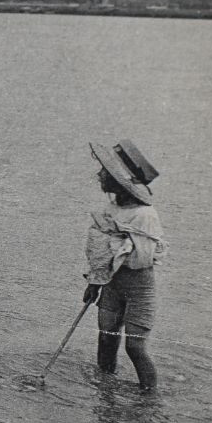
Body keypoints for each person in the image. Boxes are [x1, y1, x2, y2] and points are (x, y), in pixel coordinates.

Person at [83, 140, 167, 391]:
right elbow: (101, 252)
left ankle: (149, 398)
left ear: (119, 182)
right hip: (112, 284)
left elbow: (140, 258)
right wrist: (93, 283)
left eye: (105, 173)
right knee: (106, 337)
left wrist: (119, 244)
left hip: (139, 288)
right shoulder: (111, 209)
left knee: (135, 346)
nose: (99, 175)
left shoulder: (145, 215)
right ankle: (105, 391)